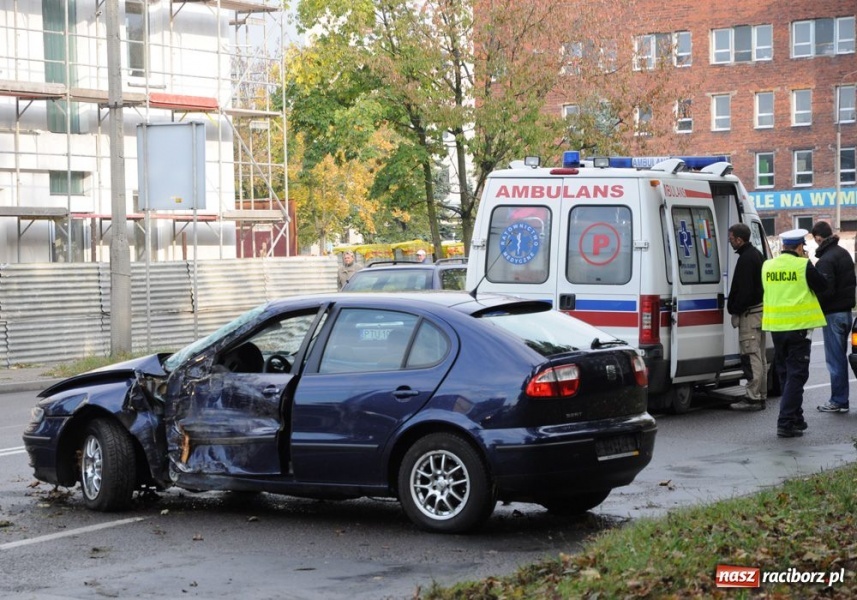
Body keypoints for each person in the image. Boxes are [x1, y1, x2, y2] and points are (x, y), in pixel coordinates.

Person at [761, 229, 828, 438]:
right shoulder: (802, 265)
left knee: (785, 374)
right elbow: (822, 285)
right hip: (797, 329)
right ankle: (786, 421)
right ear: (799, 247)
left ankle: (796, 418)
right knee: (797, 375)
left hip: (776, 328)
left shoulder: (767, 265)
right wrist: (809, 263)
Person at [811, 221, 855, 413]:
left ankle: (838, 400)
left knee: (835, 360)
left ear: (819, 237)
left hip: (832, 314)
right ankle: (840, 398)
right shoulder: (843, 254)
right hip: (846, 312)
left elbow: (825, 291)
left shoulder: (826, 260)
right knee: (842, 358)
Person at [726, 223, 766, 411]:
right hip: (759, 312)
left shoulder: (746, 259)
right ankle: (760, 393)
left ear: (740, 239)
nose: (730, 241)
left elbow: (745, 291)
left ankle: (753, 397)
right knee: (759, 355)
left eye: (732, 238)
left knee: (751, 356)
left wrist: (735, 308)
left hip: (749, 314)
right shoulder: (756, 254)